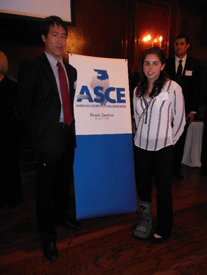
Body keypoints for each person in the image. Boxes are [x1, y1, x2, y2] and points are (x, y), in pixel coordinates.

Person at [18, 16, 80, 263]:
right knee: (44, 191)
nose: (59, 40)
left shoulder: (71, 70)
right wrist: (35, 140)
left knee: (64, 183)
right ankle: (47, 236)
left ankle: (61, 215)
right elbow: (23, 109)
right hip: (45, 141)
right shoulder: (31, 67)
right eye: (54, 35)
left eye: (63, 35)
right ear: (44, 37)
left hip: (67, 136)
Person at [133, 47, 185, 243]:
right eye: (147, 63)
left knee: (163, 188)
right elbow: (137, 118)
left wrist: (170, 141)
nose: (150, 67)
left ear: (162, 66)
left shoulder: (173, 88)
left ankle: (165, 225)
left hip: (164, 148)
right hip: (141, 147)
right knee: (144, 186)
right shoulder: (137, 90)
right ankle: (145, 220)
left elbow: (179, 120)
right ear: (142, 66)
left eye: (155, 63)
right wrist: (142, 136)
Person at [165, 35, 201, 179]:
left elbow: (197, 89)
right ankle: (165, 168)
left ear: (187, 46)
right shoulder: (166, 63)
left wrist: (193, 111)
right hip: (167, 109)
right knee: (166, 139)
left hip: (184, 111)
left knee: (180, 139)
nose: (178, 46)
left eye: (181, 44)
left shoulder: (195, 64)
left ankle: (176, 168)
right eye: (176, 44)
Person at [0, 51, 23, 209]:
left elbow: (18, 110)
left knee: (11, 166)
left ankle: (15, 197)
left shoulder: (13, 87)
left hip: (9, 133)